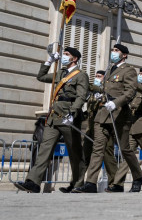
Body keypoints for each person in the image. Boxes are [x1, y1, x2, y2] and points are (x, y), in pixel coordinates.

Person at [15, 47, 88, 193]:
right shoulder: (59, 73)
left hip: (68, 117)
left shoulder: (81, 75)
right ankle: (33, 182)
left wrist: (72, 113)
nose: (64, 56)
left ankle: (77, 183)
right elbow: (41, 77)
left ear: (75, 59)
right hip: (53, 117)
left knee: (74, 152)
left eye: (67, 55)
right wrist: (49, 61)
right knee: (44, 149)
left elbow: (81, 96)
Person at [74, 44, 142, 193]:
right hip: (103, 114)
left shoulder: (128, 70)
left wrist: (116, 102)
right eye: (112, 50)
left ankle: (138, 177)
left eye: (116, 51)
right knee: (98, 148)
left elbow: (131, 92)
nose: (113, 53)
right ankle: (91, 183)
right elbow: (106, 89)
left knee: (125, 149)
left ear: (124, 55)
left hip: (119, 114)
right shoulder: (109, 70)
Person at [108, 67, 142, 192]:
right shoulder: (134, 89)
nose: (140, 75)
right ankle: (118, 183)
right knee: (128, 154)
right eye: (140, 73)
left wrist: (133, 83)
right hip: (132, 124)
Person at [83, 70, 117, 186]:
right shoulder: (92, 92)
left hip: (103, 125)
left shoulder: (107, 90)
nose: (97, 78)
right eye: (96, 76)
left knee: (108, 155)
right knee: (85, 153)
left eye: (99, 76)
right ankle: (77, 183)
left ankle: (114, 183)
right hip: (91, 125)